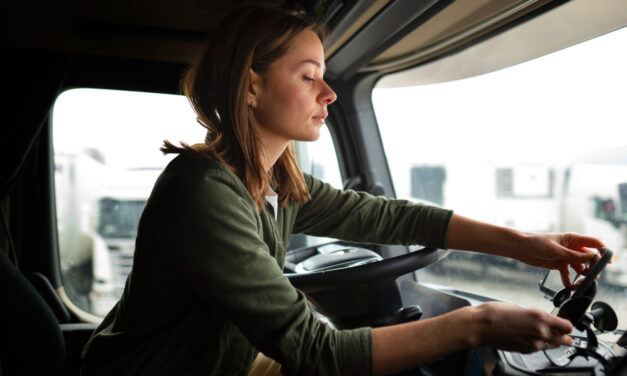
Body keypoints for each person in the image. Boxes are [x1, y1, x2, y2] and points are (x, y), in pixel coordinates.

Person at [80, 5, 605, 376]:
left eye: (325, 76)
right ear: (251, 85)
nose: (328, 92)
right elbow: (317, 352)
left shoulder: (275, 181)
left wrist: (525, 245)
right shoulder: (204, 195)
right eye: (309, 76)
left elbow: (390, 218)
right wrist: (477, 323)